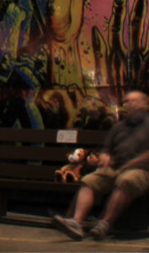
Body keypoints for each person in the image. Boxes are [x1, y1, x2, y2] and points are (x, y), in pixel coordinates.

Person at [52, 90, 149, 240]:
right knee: (90, 180)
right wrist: (105, 155)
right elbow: (106, 147)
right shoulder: (120, 126)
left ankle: (105, 224)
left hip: (141, 170)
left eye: (134, 101)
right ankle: (76, 223)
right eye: (127, 101)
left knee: (126, 180)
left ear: (144, 103)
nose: (130, 104)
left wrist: (130, 164)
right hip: (115, 167)